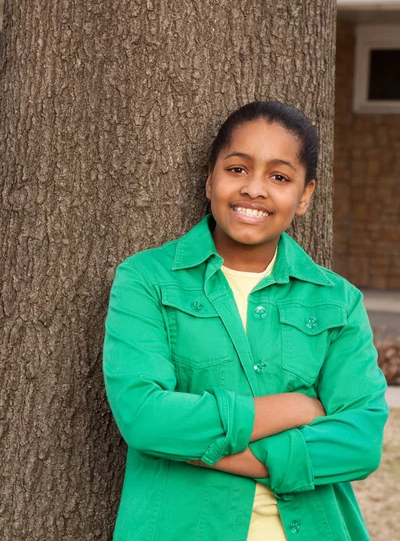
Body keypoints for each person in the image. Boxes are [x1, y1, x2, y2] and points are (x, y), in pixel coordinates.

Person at [103, 101, 389, 541]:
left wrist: (214, 452)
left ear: (305, 195)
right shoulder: (146, 280)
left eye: (279, 177)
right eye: (237, 169)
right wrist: (297, 408)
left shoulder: (338, 301)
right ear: (210, 178)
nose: (254, 189)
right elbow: (145, 417)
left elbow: (360, 442)